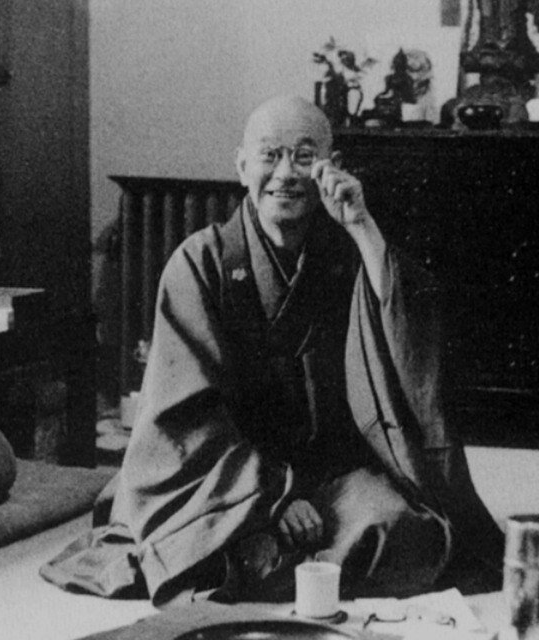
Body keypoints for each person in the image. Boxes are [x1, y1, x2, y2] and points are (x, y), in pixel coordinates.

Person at [41, 95, 504, 607]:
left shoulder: (349, 250)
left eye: (304, 157)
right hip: (224, 483)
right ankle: (273, 556)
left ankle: (259, 565)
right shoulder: (199, 263)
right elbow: (185, 418)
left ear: (331, 166)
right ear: (242, 166)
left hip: (331, 476)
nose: (285, 173)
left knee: (409, 534)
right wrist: (274, 496)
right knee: (194, 542)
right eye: (270, 155)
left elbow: (410, 339)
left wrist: (362, 227)